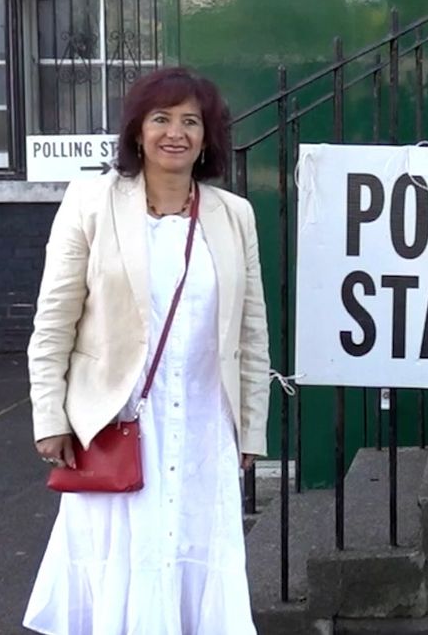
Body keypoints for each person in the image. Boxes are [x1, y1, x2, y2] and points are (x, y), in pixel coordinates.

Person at [23, 66, 269, 634]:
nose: (174, 133)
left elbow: (251, 334)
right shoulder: (91, 202)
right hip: (119, 425)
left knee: (193, 566)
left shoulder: (234, 217)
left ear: (207, 137)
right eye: (161, 119)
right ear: (138, 131)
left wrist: (250, 429)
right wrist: (49, 417)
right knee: (121, 573)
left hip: (205, 425)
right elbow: (53, 322)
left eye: (190, 121)